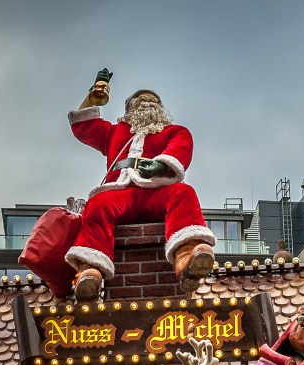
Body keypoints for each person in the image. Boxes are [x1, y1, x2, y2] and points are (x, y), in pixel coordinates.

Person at [65, 72, 216, 300]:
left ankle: (187, 256)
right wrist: (92, 98)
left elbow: (181, 147)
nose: (147, 103)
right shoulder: (114, 132)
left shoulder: (174, 131)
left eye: (152, 100)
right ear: (129, 108)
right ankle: (90, 272)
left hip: (156, 192)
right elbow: (83, 127)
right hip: (120, 193)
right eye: (141, 100)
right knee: (97, 205)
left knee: (184, 193)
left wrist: (160, 165)